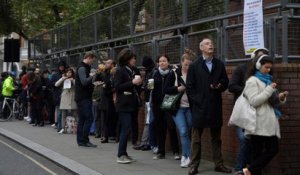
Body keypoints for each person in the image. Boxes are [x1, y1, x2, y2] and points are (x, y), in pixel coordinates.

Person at [186, 38, 231, 175]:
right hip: (199, 107)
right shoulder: (194, 65)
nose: (210, 45)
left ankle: (219, 164)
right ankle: (193, 165)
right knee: (196, 138)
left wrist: (219, 86)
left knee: (216, 138)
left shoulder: (219, 64)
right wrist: (197, 101)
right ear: (201, 48)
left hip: (214, 105)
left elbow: (225, 82)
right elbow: (189, 87)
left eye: (212, 43)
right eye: (207, 43)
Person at [242, 55, 288, 175]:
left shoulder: (268, 79)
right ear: (258, 66)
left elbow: (270, 101)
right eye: (266, 67)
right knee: (259, 153)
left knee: (270, 150)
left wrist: (280, 97)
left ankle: (249, 171)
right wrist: (269, 90)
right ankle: (249, 171)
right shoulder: (252, 81)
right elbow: (254, 101)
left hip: (267, 123)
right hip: (257, 122)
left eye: (270, 68)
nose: (268, 70)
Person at [228, 48, 269, 175]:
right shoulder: (241, 69)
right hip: (244, 112)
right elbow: (232, 86)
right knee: (244, 140)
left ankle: (250, 169)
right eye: (260, 58)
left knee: (255, 142)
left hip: (258, 112)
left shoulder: (265, 73)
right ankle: (240, 168)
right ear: (254, 58)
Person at [165, 48, 196, 168]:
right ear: (181, 62)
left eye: (189, 65)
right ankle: (185, 156)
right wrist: (177, 89)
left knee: (188, 131)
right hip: (177, 108)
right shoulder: (174, 73)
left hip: (190, 107)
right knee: (183, 131)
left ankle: (188, 155)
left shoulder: (194, 74)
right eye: (185, 64)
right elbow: (166, 89)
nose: (187, 67)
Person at [114, 48, 142, 164]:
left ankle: (124, 153)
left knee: (128, 128)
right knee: (126, 129)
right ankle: (120, 155)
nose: (135, 60)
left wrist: (138, 84)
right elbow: (117, 87)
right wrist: (132, 83)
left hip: (132, 104)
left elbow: (135, 87)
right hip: (124, 104)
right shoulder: (120, 70)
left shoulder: (132, 70)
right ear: (127, 59)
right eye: (133, 58)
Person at [151, 54, 180, 160]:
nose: (162, 63)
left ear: (168, 62)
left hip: (169, 103)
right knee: (160, 128)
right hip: (157, 104)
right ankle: (161, 152)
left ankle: (176, 151)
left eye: (164, 61)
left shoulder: (173, 74)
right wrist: (149, 87)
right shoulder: (154, 73)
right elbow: (149, 88)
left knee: (171, 127)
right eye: (160, 61)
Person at [133, 56, 156, 151]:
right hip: (148, 99)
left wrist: (143, 87)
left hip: (150, 99)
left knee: (148, 121)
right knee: (148, 121)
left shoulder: (152, 72)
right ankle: (146, 141)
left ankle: (145, 142)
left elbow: (151, 86)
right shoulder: (150, 71)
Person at [75, 51, 97, 148]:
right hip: (83, 98)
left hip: (82, 97)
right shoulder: (82, 68)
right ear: (88, 57)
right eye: (92, 60)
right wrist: (92, 76)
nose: (92, 62)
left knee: (82, 119)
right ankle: (84, 140)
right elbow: (84, 82)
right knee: (89, 118)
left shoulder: (83, 67)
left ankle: (81, 140)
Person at [96, 59, 117, 143]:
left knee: (113, 118)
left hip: (113, 98)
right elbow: (96, 79)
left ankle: (113, 135)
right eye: (106, 63)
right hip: (105, 98)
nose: (106, 64)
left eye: (108, 63)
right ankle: (105, 135)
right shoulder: (104, 73)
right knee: (104, 118)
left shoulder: (115, 73)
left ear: (113, 65)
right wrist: (98, 72)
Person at [55, 68, 77, 134]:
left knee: (75, 114)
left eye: (70, 72)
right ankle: (63, 128)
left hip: (72, 97)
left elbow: (78, 85)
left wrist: (73, 80)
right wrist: (62, 79)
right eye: (67, 72)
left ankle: (74, 128)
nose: (68, 74)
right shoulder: (63, 78)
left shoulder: (74, 78)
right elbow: (56, 84)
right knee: (63, 114)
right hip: (64, 97)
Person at [51, 60, 67, 128]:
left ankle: (63, 124)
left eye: (62, 66)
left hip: (65, 93)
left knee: (62, 110)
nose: (61, 68)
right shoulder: (55, 75)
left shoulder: (67, 73)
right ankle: (57, 122)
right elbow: (52, 84)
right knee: (58, 109)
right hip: (57, 94)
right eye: (60, 66)